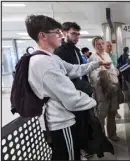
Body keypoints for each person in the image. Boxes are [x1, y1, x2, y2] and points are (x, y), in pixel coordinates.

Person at [25, 15, 110, 160]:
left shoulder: (51, 58)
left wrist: (96, 64)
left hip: (64, 118)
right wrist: (95, 101)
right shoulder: (43, 63)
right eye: (57, 33)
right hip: (59, 121)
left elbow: (73, 70)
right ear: (42, 36)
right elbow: (72, 99)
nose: (61, 35)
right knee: (69, 156)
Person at [54, 22, 93, 159]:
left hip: (81, 92)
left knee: (83, 122)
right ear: (64, 33)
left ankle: (82, 148)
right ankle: (78, 151)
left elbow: (80, 71)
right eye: (73, 34)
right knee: (76, 125)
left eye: (78, 34)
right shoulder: (59, 52)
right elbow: (66, 76)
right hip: (70, 96)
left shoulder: (76, 50)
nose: (77, 37)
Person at [89, 36, 120, 142]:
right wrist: (104, 72)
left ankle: (112, 134)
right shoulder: (93, 58)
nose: (101, 46)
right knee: (101, 114)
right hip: (101, 90)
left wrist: (114, 71)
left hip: (112, 87)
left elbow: (112, 69)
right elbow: (93, 76)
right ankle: (101, 137)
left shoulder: (106, 55)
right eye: (98, 44)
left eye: (102, 43)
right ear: (94, 46)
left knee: (112, 111)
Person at [105, 41, 121, 119]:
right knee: (108, 98)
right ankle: (109, 113)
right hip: (106, 81)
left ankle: (115, 112)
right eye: (107, 46)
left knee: (115, 97)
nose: (109, 47)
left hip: (114, 79)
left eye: (110, 46)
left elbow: (115, 66)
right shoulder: (102, 56)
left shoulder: (114, 56)